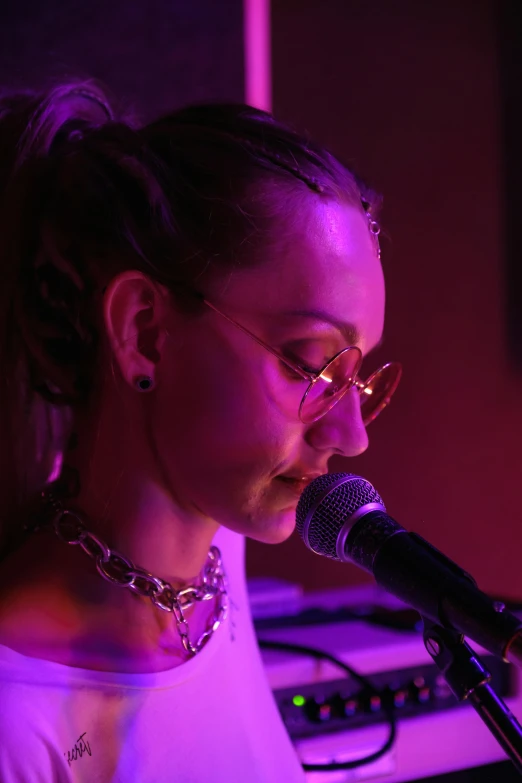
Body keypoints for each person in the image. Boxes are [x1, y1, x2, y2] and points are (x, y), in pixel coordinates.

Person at [0, 80, 401, 782]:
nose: (352, 433)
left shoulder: (223, 557)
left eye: (357, 377)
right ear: (145, 332)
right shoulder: (17, 716)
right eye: (309, 364)